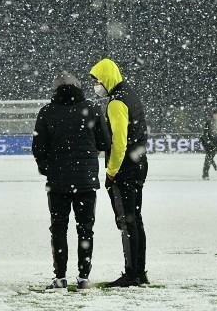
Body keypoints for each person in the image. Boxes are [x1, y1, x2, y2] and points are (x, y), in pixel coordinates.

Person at [32, 71, 111, 291]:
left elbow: (37, 148)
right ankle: (84, 276)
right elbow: (105, 142)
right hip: (86, 181)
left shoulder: (47, 112)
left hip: (58, 182)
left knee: (58, 228)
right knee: (85, 228)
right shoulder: (92, 109)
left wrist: (48, 168)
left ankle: (59, 277)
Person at [90, 58, 149, 287]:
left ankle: (131, 274)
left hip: (125, 168)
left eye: (96, 80)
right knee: (136, 220)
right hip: (139, 163)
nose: (95, 84)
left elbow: (119, 142)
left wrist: (111, 171)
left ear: (106, 78)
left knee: (127, 221)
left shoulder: (116, 102)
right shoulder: (131, 95)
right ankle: (139, 271)